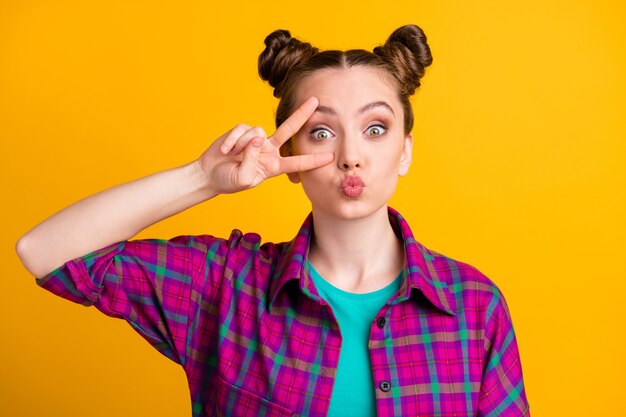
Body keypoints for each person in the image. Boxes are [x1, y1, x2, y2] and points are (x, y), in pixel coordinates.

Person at [16, 24, 530, 417]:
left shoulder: (474, 306)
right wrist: (201, 178)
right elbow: (43, 252)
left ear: (404, 151)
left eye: (375, 128)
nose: (352, 156)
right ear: (287, 153)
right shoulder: (224, 285)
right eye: (323, 133)